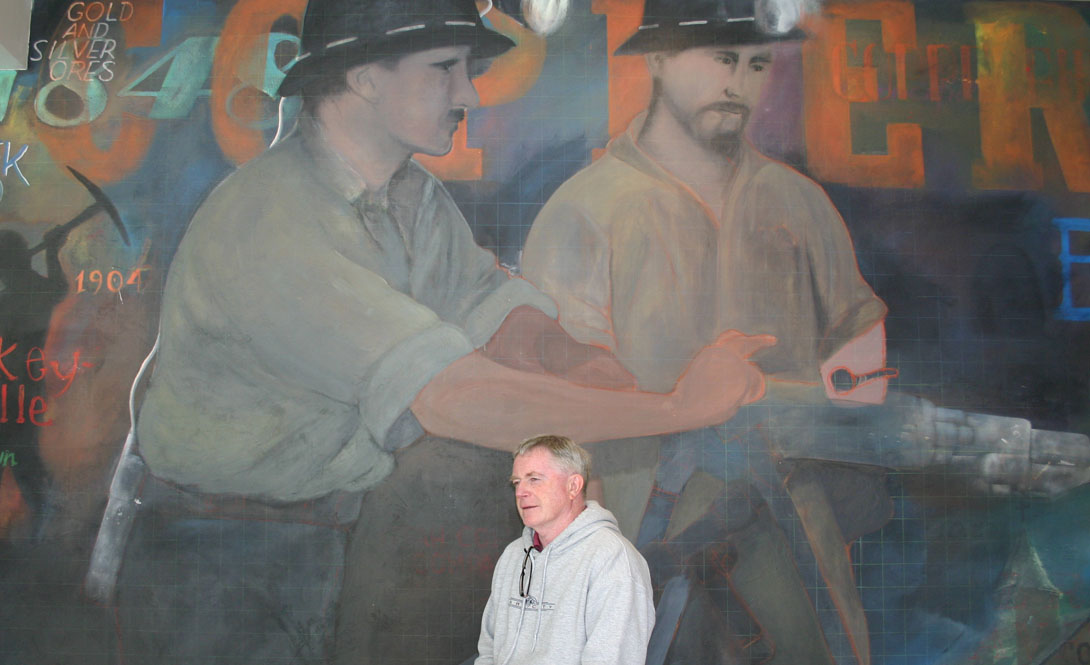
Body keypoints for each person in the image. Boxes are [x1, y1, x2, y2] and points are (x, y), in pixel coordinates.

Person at [116, 0, 771, 663]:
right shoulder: (272, 220)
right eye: (444, 68)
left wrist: (572, 358)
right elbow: (453, 396)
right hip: (225, 570)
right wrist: (676, 407)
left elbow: (488, 305)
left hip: (335, 531)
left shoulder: (410, 195)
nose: (469, 93)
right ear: (364, 76)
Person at [519, 0, 893, 662]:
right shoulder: (584, 209)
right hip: (638, 521)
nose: (738, 83)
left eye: (756, 64)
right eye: (722, 59)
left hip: (789, 516)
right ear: (660, 58)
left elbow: (862, 355)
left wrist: (817, 405)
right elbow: (558, 412)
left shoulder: (799, 203)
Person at [476, 435, 654, 665]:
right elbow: (488, 649)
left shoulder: (613, 560)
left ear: (573, 486)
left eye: (534, 479)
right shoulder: (513, 555)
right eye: (517, 482)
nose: (520, 492)